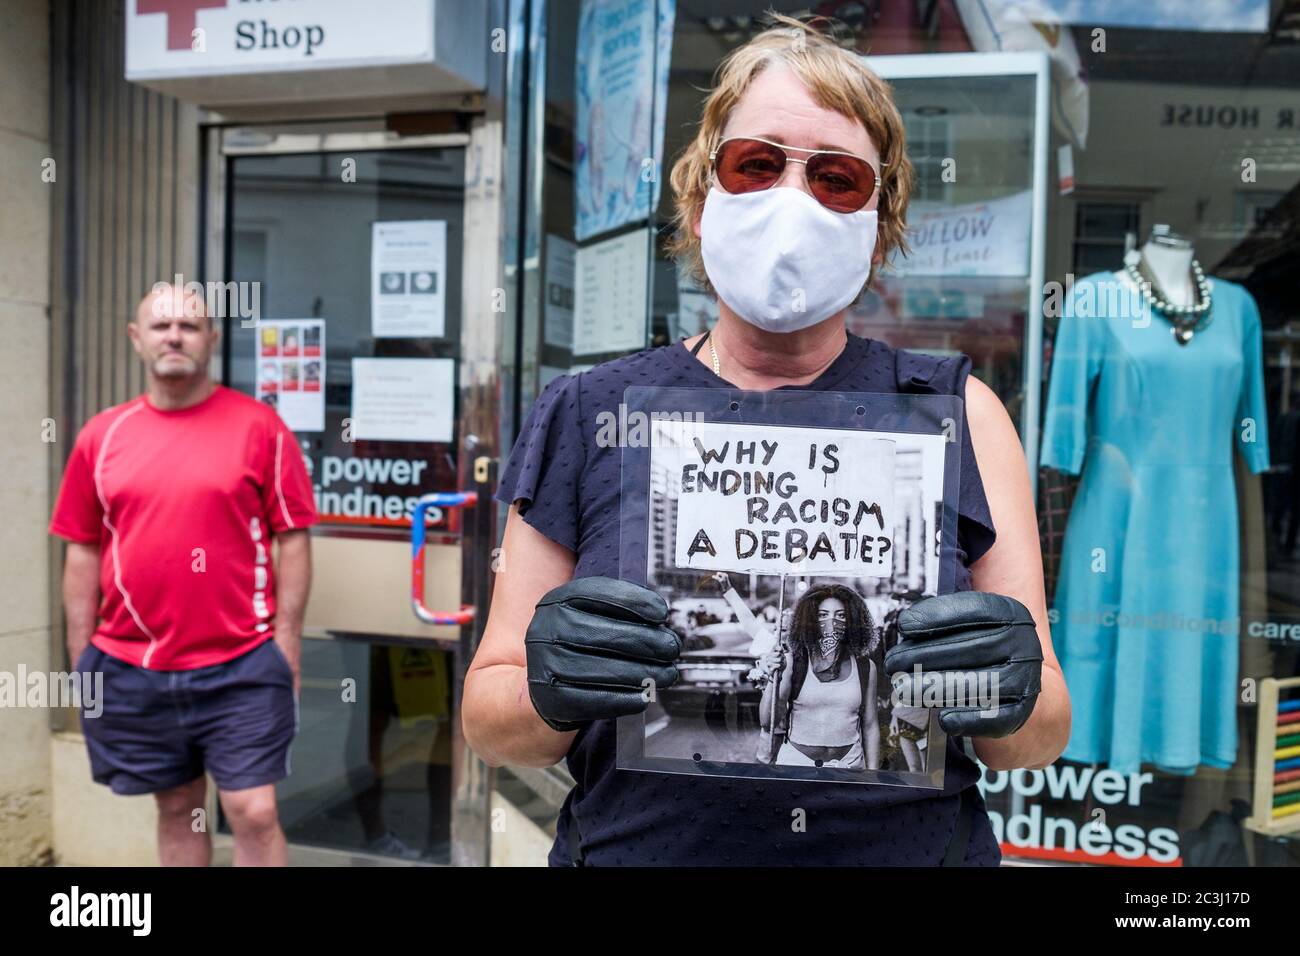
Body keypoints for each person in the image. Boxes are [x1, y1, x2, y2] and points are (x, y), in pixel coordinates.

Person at [464, 14, 1069, 866]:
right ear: (703, 192)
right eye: (757, 164)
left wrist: (1006, 690)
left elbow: (1037, 734)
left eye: (836, 179)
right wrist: (545, 690)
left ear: (880, 215)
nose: (793, 199)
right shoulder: (589, 410)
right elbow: (493, 725)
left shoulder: (960, 412)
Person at [49, 283, 318, 866]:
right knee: (176, 805)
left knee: (254, 811)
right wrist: (82, 659)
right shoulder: (101, 436)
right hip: (131, 665)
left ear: (212, 340)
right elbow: (81, 550)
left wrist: (287, 643)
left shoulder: (260, 427)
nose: (174, 336)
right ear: (136, 338)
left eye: (189, 326)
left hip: (242, 661)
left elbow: (292, 537)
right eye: (160, 325)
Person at [755, 584, 882, 771]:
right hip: (797, 766)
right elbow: (767, 722)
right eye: (823, 615)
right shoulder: (792, 662)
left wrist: (873, 774)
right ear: (811, 620)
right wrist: (775, 678)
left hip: (850, 766)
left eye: (841, 615)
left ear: (852, 620)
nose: (832, 622)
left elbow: (870, 726)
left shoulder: (865, 667)